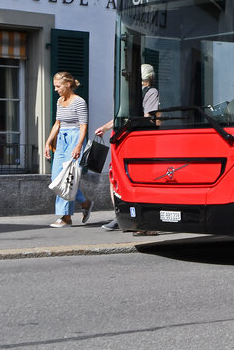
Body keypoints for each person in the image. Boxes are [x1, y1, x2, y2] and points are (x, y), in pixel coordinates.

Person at [95, 64, 162, 232]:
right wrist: (105, 127)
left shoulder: (150, 92)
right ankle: (121, 215)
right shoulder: (130, 93)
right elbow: (121, 116)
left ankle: (138, 219)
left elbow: (149, 117)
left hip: (135, 139)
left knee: (134, 177)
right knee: (115, 178)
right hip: (121, 137)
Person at [44, 71, 92, 227]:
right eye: (55, 86)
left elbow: (83, 126)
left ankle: (66, 218)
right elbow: (57, 123)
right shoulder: (59, 101)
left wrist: (78, 145)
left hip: (74, 138)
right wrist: (48, 142)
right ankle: (85, 203)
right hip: (61, 140)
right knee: (56, 179)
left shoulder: (79, 102)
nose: (55, 89)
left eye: (58, 86)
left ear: (68, 84)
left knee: (68, 179)